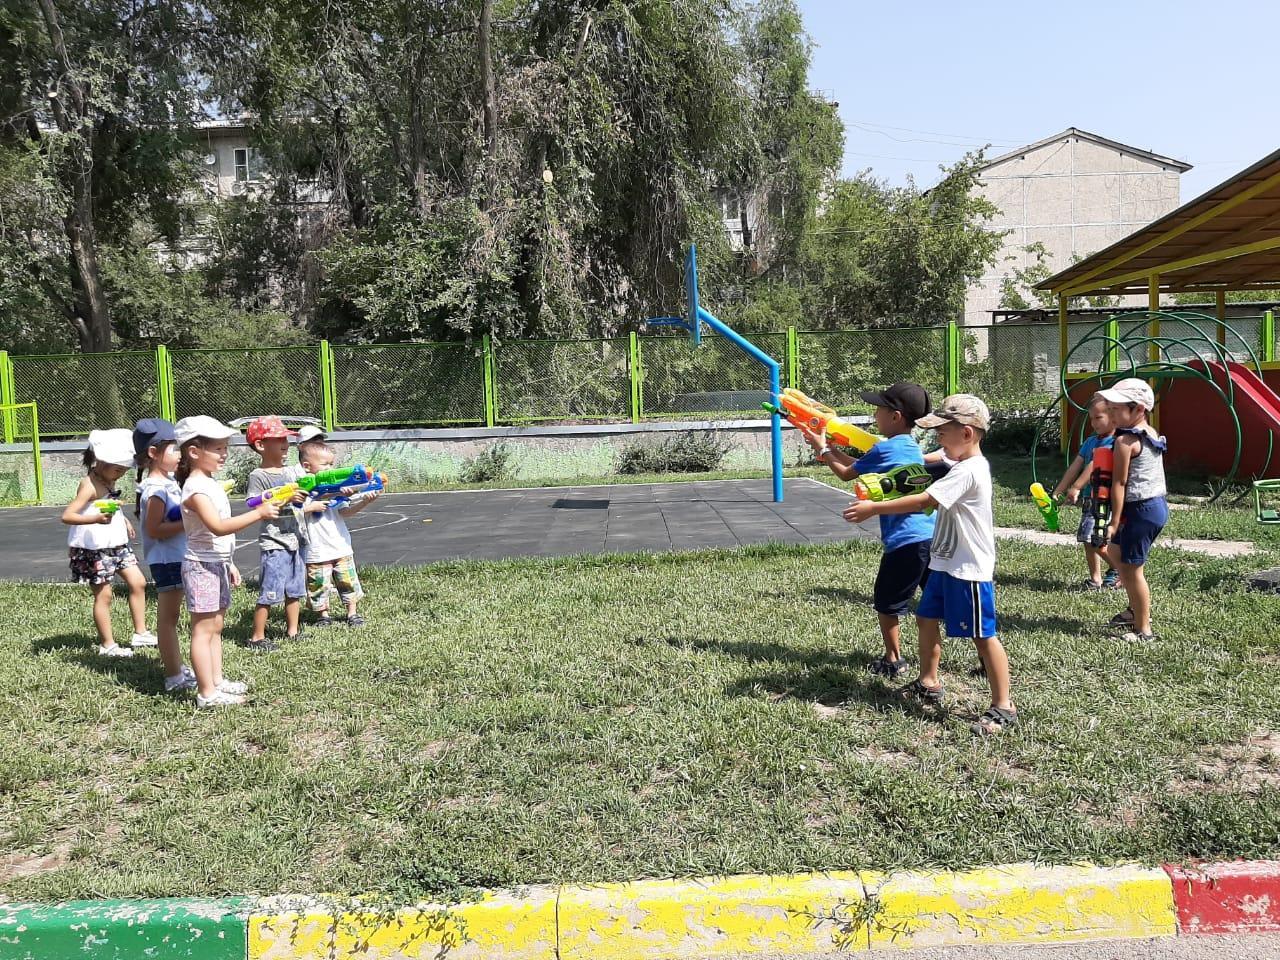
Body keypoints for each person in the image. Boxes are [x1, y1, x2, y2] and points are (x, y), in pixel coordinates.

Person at [847, 395, 1016, 736]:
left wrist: (873, 508)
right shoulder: (957, 463)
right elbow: (929, 463)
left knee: (983, 637)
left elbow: (925, 500)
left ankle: (1003, 706)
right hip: (945, 563)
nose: (937, 437)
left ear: (967, 433)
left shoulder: (969, 471)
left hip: (967, 569)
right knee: (925, 618)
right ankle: (929, 682)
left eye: (942, 431)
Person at [801, 382, 935, 678]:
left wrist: (821, 448)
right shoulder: (910, 447)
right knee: (943, 598)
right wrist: (828, 449)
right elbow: (862, 465)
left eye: (879, 409)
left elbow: (847, 474)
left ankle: (893, 659)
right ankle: (983, 654)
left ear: (896, 416)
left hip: (905, 540)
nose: (875, 414)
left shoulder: (885, 447)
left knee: (887, 601)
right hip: (930, 535)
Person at [176, 416, 280, 708]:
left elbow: (219, 538)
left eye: (225, 448)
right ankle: (207, 693)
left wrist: (229, 562)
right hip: (201, 566)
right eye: (218, 449)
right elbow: (217, 527)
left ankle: (217, 681)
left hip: (215, 563)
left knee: (216, 626)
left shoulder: (208, 483)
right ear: (194, 452)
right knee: (203, 629)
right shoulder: (196, 488)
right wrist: (260, 513)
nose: (224, 454)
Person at [61, 429, 156, 657]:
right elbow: (67, 516)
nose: (121, 473)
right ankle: (107, 644)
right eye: (117, 468)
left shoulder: (108, 480)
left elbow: (108, 503)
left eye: (124, 470)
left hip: (116, 544)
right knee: (104, 595)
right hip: (95, 549)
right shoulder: (89, 485)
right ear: (100, 461)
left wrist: (122, 519)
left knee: (138, 582)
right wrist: (94, 519)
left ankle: (140, 632)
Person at [1096, 379, 1168, 643]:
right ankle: (1133, 610)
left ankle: (1143, 630)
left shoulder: (1126, 442)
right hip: (1153, 507)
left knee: (1132, 570)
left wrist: (1114, 521)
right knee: (1115, 552)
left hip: (1141, 509)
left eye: (1116, 409)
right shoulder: (1149, 431)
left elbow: (1120, 482)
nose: (1111, 414)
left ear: (1137, 409)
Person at [133, 418, 196, 692]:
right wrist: (190, 521)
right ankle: (173, 675)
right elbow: (155, 529)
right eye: (175, 449)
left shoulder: (167, 483)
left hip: (176, 557)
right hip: (167, 561)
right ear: (153, 453)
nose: (180, 455)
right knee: (168, 620)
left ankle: (177, 667)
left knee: (173, 617)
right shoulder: (155, 489)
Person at [244, 416, 312, 652]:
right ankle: (257, 636)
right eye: (279, 439)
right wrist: (285, 497)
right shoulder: (259, 475)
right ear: (261, 445)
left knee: (295, 589)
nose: (285, 444)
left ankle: (293, 631)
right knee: (269, 591)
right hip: (275, 542)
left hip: (295, 540)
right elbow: (253, 502)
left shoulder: (290, 472)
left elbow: (301, 498)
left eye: (286, 439)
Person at [298, 442, 380, 627]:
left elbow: (345, 512)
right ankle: (323, 615)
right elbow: (296, 512)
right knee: (318, 585)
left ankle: (352, 613)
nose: (330, 469)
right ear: (307, 466)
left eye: (331, 464)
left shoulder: (335, 487)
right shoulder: (302, 490)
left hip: (340, 546)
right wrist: (313, 505)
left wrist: (364, 501)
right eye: (325, 465)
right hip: (316, 549)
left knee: (348, 581)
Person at [1053, 396, 1118, 590]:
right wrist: (1059, 490)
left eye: (1098, 418)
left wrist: (1077, 487)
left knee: (1096, 539)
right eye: (1091, 419)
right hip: (1091, 500)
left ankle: (1120, 570)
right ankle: (1095, 578)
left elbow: (1094, 465)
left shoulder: (1114, 442)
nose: (1093, 423)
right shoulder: (1090, 441)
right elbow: (1076, 466)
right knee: (1087, 540)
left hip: (1105, 500)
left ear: (1114, 417)